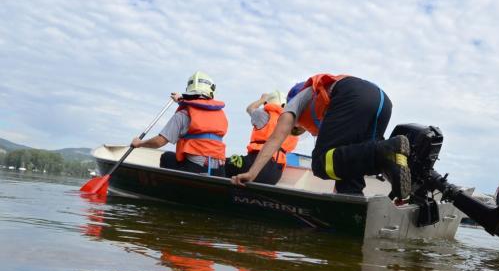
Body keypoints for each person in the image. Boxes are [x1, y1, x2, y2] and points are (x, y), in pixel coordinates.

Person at [230, 74, 411, 200]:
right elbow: (344, 162)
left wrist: (252, 172)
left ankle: (387, 149)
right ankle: (354, 197)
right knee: (349, 159)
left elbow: (276, 139)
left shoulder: (295, 100)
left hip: (352, 94)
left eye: (296, 128)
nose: (299, 129)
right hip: (381, 100)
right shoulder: (329, 109)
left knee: (320, 162)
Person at [131, 71, 228, 176]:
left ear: (188, 91)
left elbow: (159, 142)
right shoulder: (221, 114)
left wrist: (140, 144)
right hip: (219, 171)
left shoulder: (183, 114)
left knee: (167, 157)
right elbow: (199, 106)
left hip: (195, 169)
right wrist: (181, 100)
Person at [224, 91, 300, 185]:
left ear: (267, 103)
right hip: (276, 173)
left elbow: (250, 108)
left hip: (256, 165)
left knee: (225, 163)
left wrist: (262, 99)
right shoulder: (292, 124)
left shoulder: (263, 114)